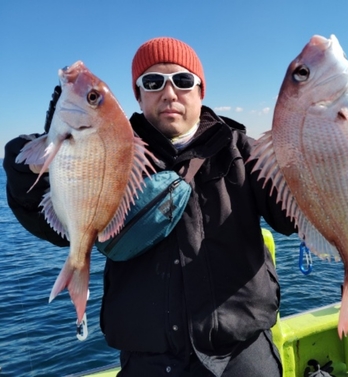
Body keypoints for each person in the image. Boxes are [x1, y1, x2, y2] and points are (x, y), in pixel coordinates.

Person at [3, 37, 296, 376]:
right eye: (153, 82)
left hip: (241, 353)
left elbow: (291, 215)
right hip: (148, 359)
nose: (170, 93)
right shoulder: (114, 150)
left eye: (184, 81)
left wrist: (317, 157)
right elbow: (45, 216)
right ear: (138, 95)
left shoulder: (243, 151)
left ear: (201, 92)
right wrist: (44, 153)